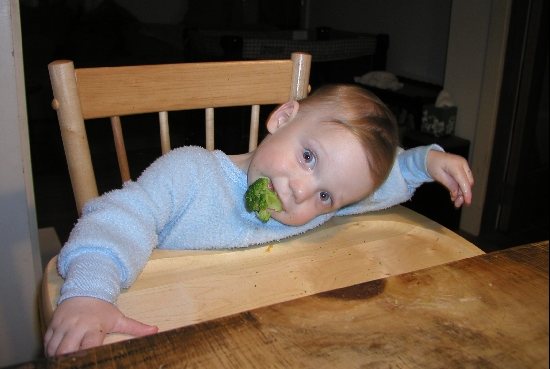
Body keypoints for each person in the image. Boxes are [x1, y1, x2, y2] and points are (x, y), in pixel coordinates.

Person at [44, 84, 473, 356]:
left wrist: (425, 162)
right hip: (160, 332)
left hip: (245, 340)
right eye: (308, 157)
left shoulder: (313, 207)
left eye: (326, 195)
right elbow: (119, 218)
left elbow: (375, 185)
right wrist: (89, 292)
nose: (301, 190)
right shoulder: (189, 175)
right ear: (283, 118)